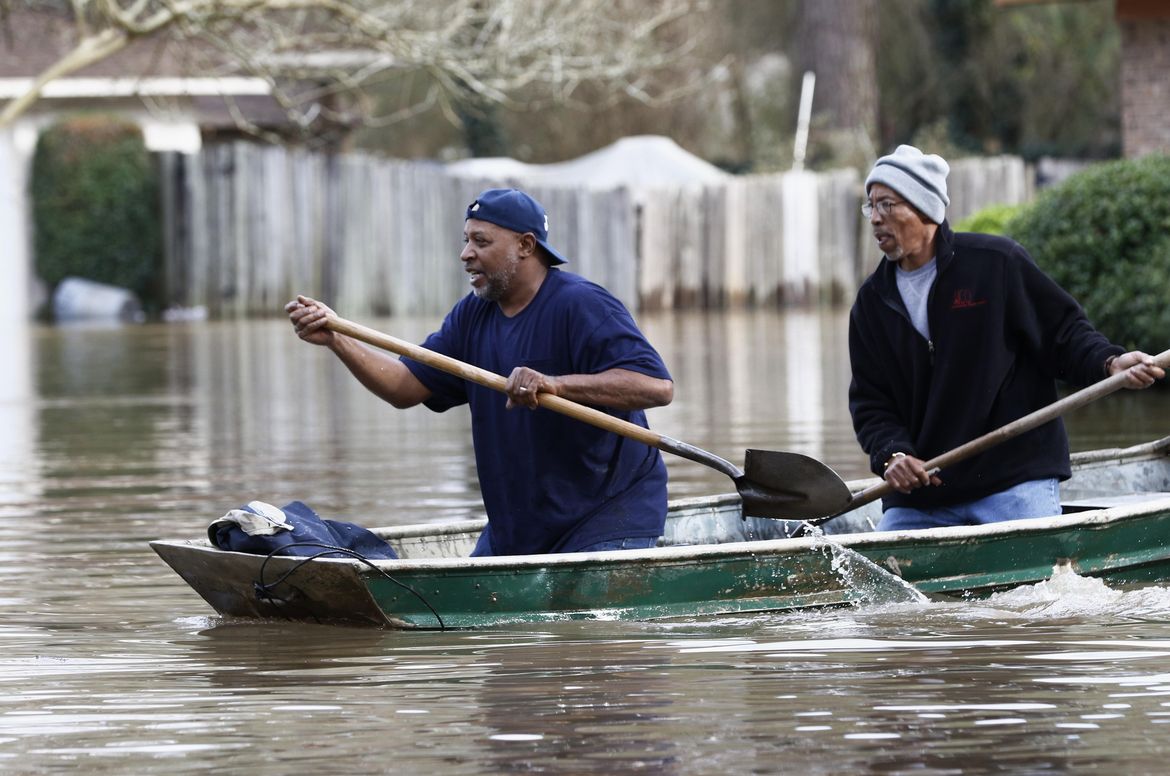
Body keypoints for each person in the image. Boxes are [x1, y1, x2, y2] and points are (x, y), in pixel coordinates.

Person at [287, 188, 674, 555]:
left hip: (605, 518)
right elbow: (404, 388)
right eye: (465, 240)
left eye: (481, 242)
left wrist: (554, 384)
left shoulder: (580, 304)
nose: (465, 254)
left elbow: (656, 387)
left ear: (525, 245)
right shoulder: (472, 315)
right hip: (521, 525)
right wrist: (337, 338)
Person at [848, 145, 1164, 531]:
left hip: (1013, 481)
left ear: (924, 208)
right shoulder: (871, 303)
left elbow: (1062, 334)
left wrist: (1110, 363)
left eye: (887, 205)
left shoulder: (996, 264)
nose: (876, 219)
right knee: (881, 586)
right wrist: (892, 456)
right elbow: (871, 402)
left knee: (1042, 586)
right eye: (871, 207)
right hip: (924, 498)